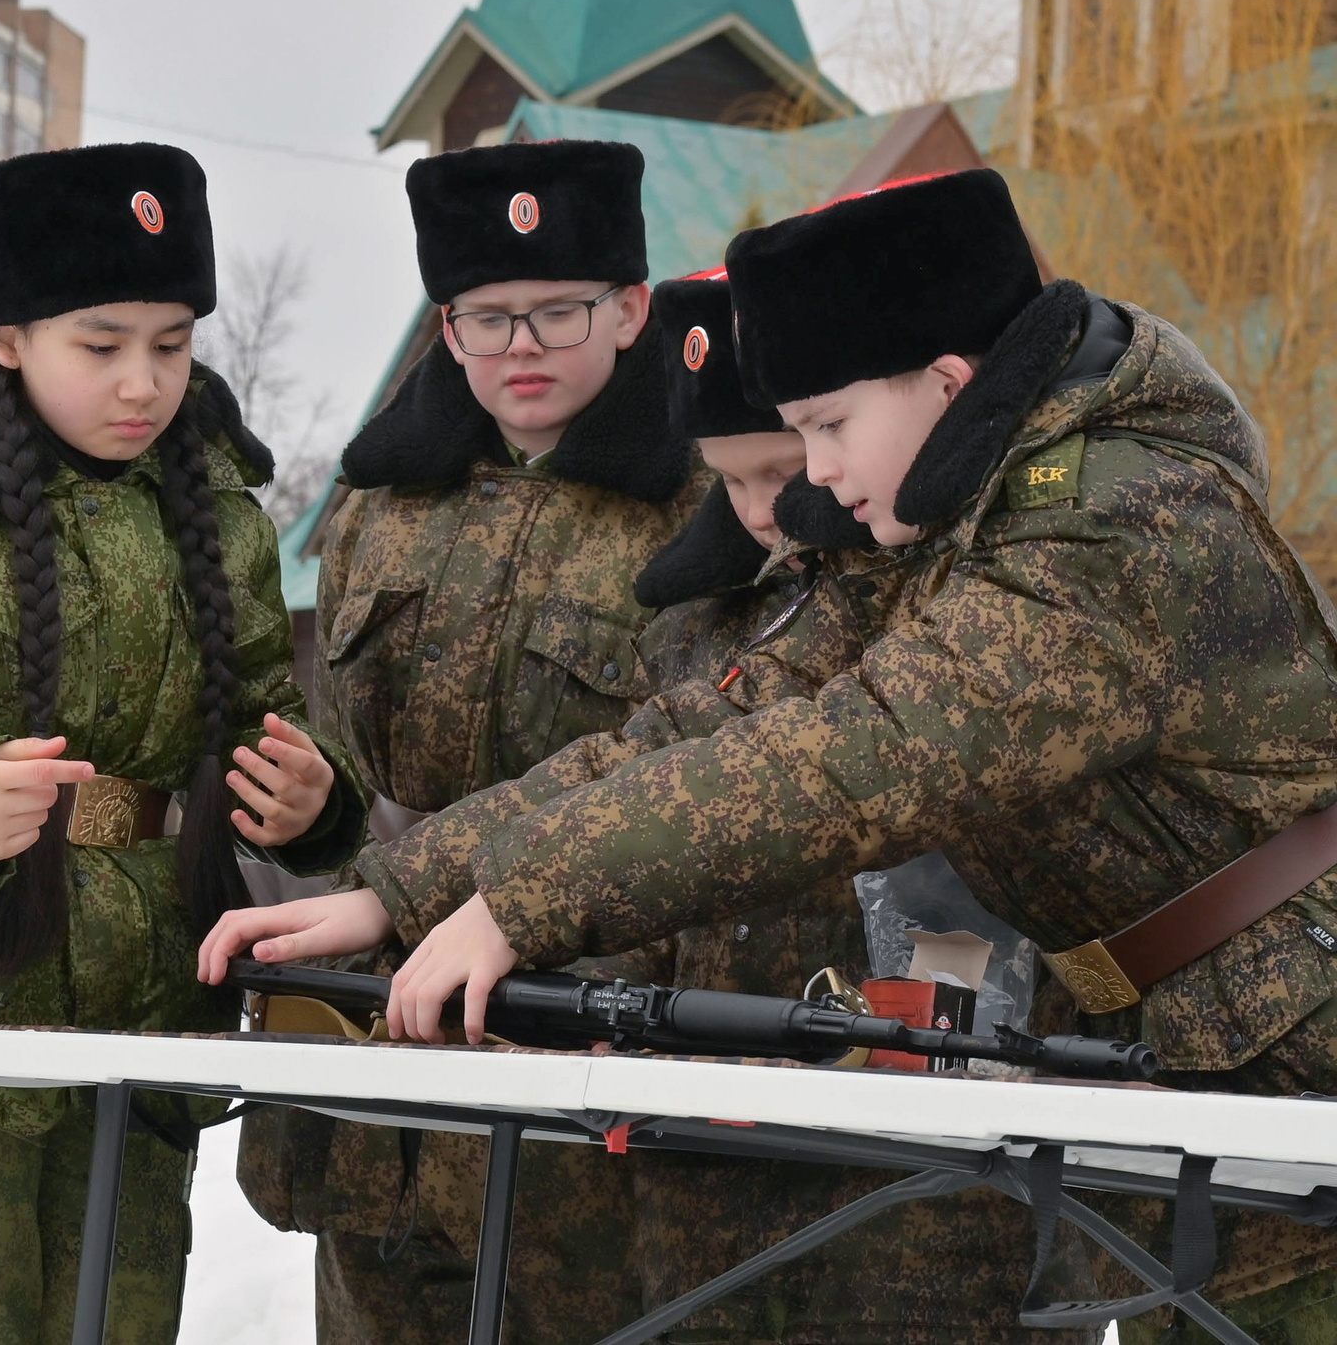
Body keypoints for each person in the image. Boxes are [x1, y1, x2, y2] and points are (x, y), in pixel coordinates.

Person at [217, 168, 1337, 1341]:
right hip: (1199, 1062)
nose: (817, 476)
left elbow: (844, 759)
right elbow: (701, 726)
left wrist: (517, 909)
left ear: (949, 386)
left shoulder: (1107, 525)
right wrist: (406, 885)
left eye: (826, 428)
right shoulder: (960, 516)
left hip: (1295, 1059)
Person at [0, 142, 360, 1344]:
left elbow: (253, 721)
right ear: (5, 340)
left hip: (142, 1012)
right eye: (100, 344)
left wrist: (307, 799)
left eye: (171, 343)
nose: (142, 382)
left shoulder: (220, 521)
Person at [231, 139, 701, 1345]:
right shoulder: (382, 507)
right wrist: (316, 807)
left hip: (581, 1051)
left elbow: (704, 782)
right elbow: (351, 778)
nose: (523, 347)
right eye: (488, 318)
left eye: (558, 310)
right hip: (383, 1048)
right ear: (446, 330)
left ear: (632, 308)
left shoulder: (705, 509)